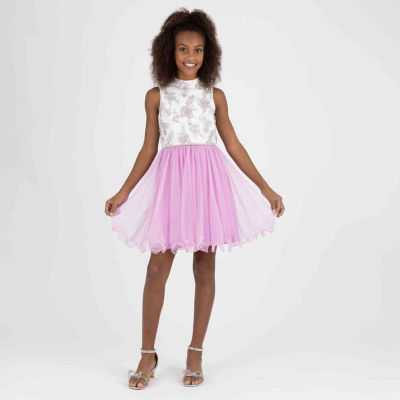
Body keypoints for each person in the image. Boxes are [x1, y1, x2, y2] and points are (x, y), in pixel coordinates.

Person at [105, 7, 285, 390]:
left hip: (207, 188)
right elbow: (148, 149)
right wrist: (124, 191)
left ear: (208, 53)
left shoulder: (214, 96)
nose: (191, 57)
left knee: (205, 269)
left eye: (198, 50)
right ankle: (147, 354)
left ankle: (195, 351)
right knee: (157, 269)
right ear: (168, 52)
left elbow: (233, 144)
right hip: (171, 188)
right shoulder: (156, 96)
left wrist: (265, 187)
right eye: (183, 49)